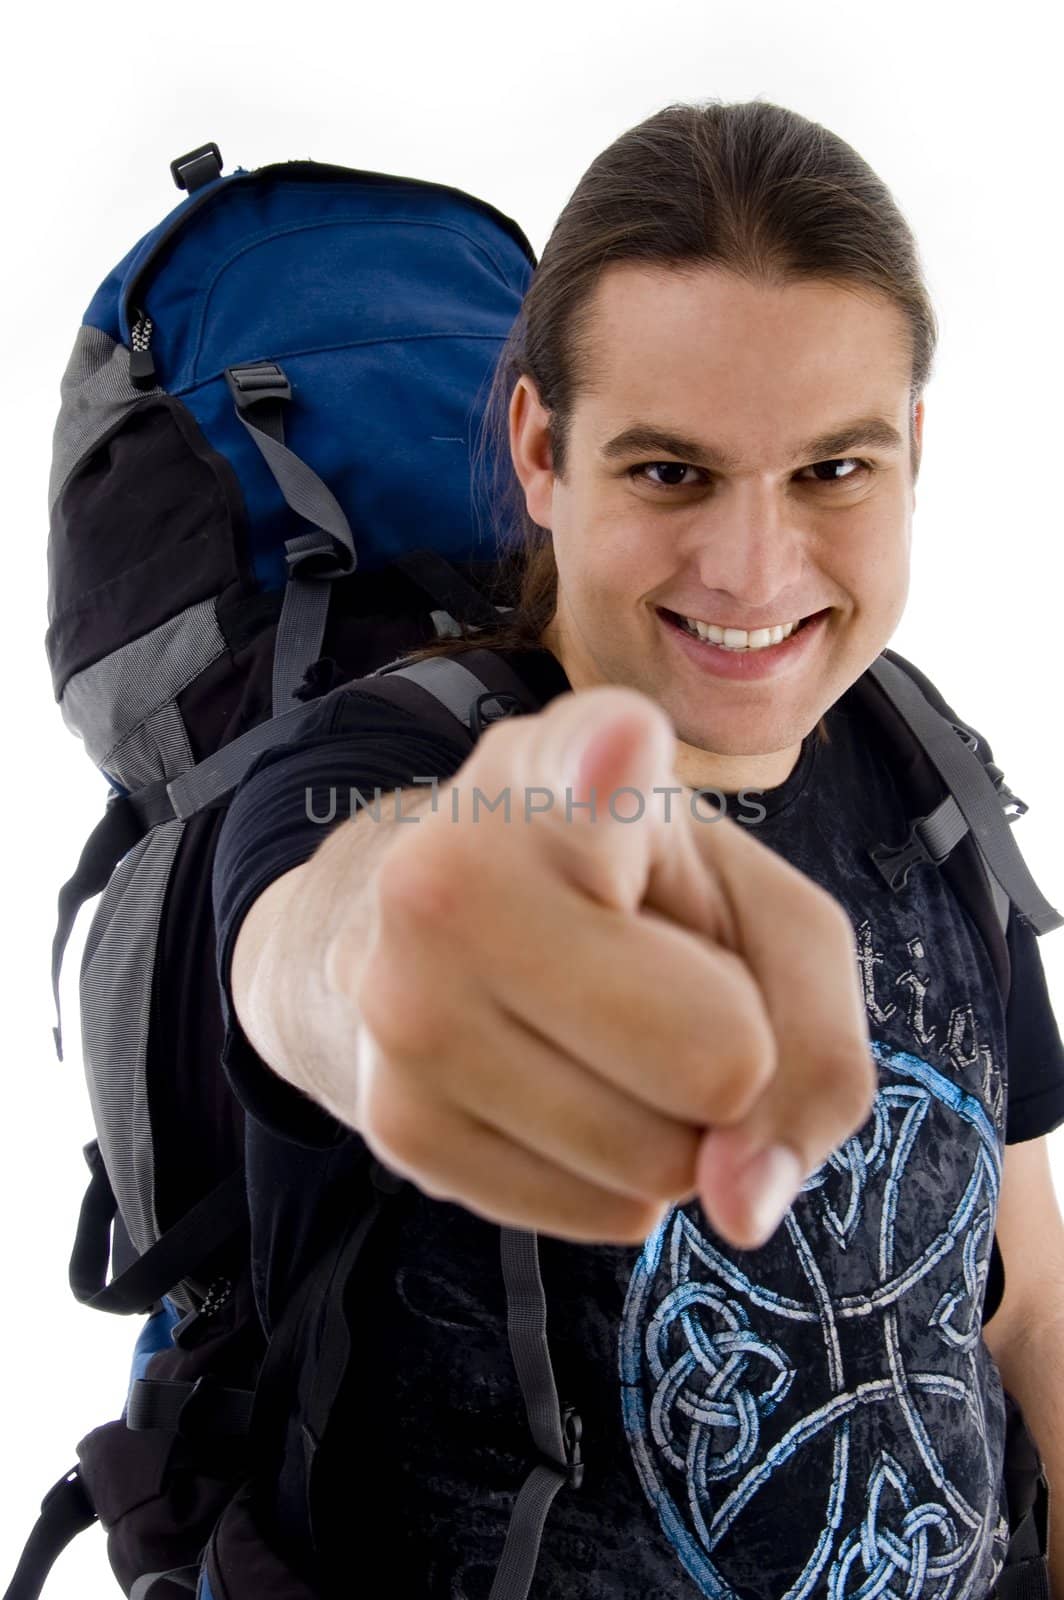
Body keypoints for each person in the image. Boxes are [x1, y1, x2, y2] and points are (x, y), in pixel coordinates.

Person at [211, 99, 1064, 1599]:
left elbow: (1027, 1304)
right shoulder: (386, 770)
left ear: (914, 450)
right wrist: (418, 935)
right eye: (670, 471)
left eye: (832, 472)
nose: (754, 571)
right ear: (543, 446)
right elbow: (328, 943)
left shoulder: (919, 763)